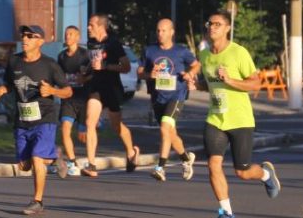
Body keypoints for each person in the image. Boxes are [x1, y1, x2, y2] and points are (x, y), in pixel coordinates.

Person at [197, 11, 280, 218]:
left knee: (242, 171)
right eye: (210, 23)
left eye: (217, 24)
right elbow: (210, 84)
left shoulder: (238, 53)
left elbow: (255, 84)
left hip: (240, 120)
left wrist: (231, 80)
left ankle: (265, 174)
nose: (212, 27)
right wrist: (195, 85)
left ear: (227, 29)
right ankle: (227, 213)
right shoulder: (205, 56)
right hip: (215, 119)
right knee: (213, 164)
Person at [0, 25, 72, 215]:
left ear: (40, 41)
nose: (25, 39)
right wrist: (2, 90)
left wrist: (52, 91)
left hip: (45, 118)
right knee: (25, 166)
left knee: (37, 158)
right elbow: (9, 84)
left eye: (30, 36)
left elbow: (68, 91)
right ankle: (53, 155)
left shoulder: (50, 65)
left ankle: (37, 201)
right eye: (23, 35)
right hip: (23, 120)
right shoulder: (14, 62)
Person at [140, 18, 199, 182]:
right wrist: (149, 74)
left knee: (165, 128)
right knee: (170, 133)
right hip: (158, 97)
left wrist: (190, 74)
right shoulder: (149, 51)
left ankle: (160, 167)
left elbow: (196, 64)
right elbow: (139, 71)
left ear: (171, 32)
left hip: (176, 96)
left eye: (164, 30)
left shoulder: (181, 51)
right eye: (158, 30)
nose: (160, 33)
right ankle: (186, 159)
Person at [82, 14, 139, 176]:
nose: (88, 28)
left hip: (112, 87)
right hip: (96, 86)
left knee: (116, 126)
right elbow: (92, 64)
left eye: (91, 25)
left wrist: (105, 66)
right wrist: (85, 72)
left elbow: (126, 67)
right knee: (89, 122)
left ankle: (131, 151)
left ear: (101, 26)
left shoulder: (114, 43)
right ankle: (91, 164)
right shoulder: (91, 43)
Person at [55, 25, 92, 178]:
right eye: (66, 34)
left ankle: (91, 161)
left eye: (71, 34)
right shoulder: (62, 56)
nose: (68, 37)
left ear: (77, 37)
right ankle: (71, 162)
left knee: (83, 135)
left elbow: (94, 75)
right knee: (65, 128)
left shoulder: (85, 55)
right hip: (68, 99)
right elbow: (59, 76)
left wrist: (84, 78)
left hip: (83, 98)